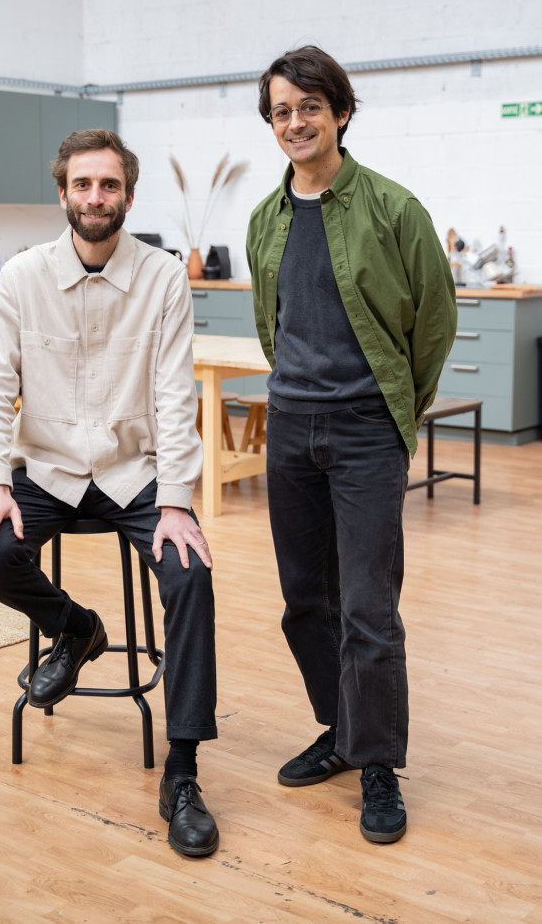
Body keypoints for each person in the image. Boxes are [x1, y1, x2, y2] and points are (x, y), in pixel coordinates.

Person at [0, 129, 219, 858]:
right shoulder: (23, 276)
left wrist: (177, 499)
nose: (95, 197)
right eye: (83, 185)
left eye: (109, 186)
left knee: (191, 575)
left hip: (134, 475)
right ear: (64, 193)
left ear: (129, 197)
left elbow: (175, 397)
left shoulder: (164, 276)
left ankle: (183, 769)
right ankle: (78, 630)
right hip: (46, 469)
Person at [246, 46, 457, 844]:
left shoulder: (394, 209)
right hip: (291, 427)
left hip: (368, 431)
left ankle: (377, 767)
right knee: (307, 602)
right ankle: (340, 731)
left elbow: (432, 324)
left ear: (339, 111)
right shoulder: (266, 217)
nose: (294, 122)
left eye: (308, 107)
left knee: (369, 609)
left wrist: (398, 411)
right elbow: (275, 328)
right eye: (280, 112)